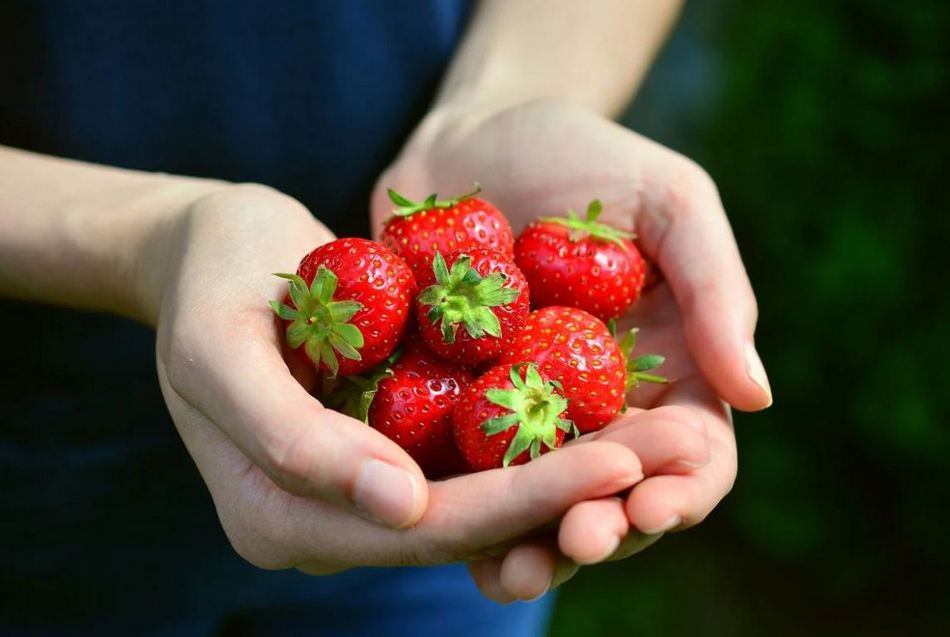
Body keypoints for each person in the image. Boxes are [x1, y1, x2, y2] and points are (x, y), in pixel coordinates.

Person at [0, 1, 771, 635]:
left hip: (431, 485)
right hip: (46, 482)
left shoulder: (471, 376)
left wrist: (505, 99)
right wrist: (149, 240)